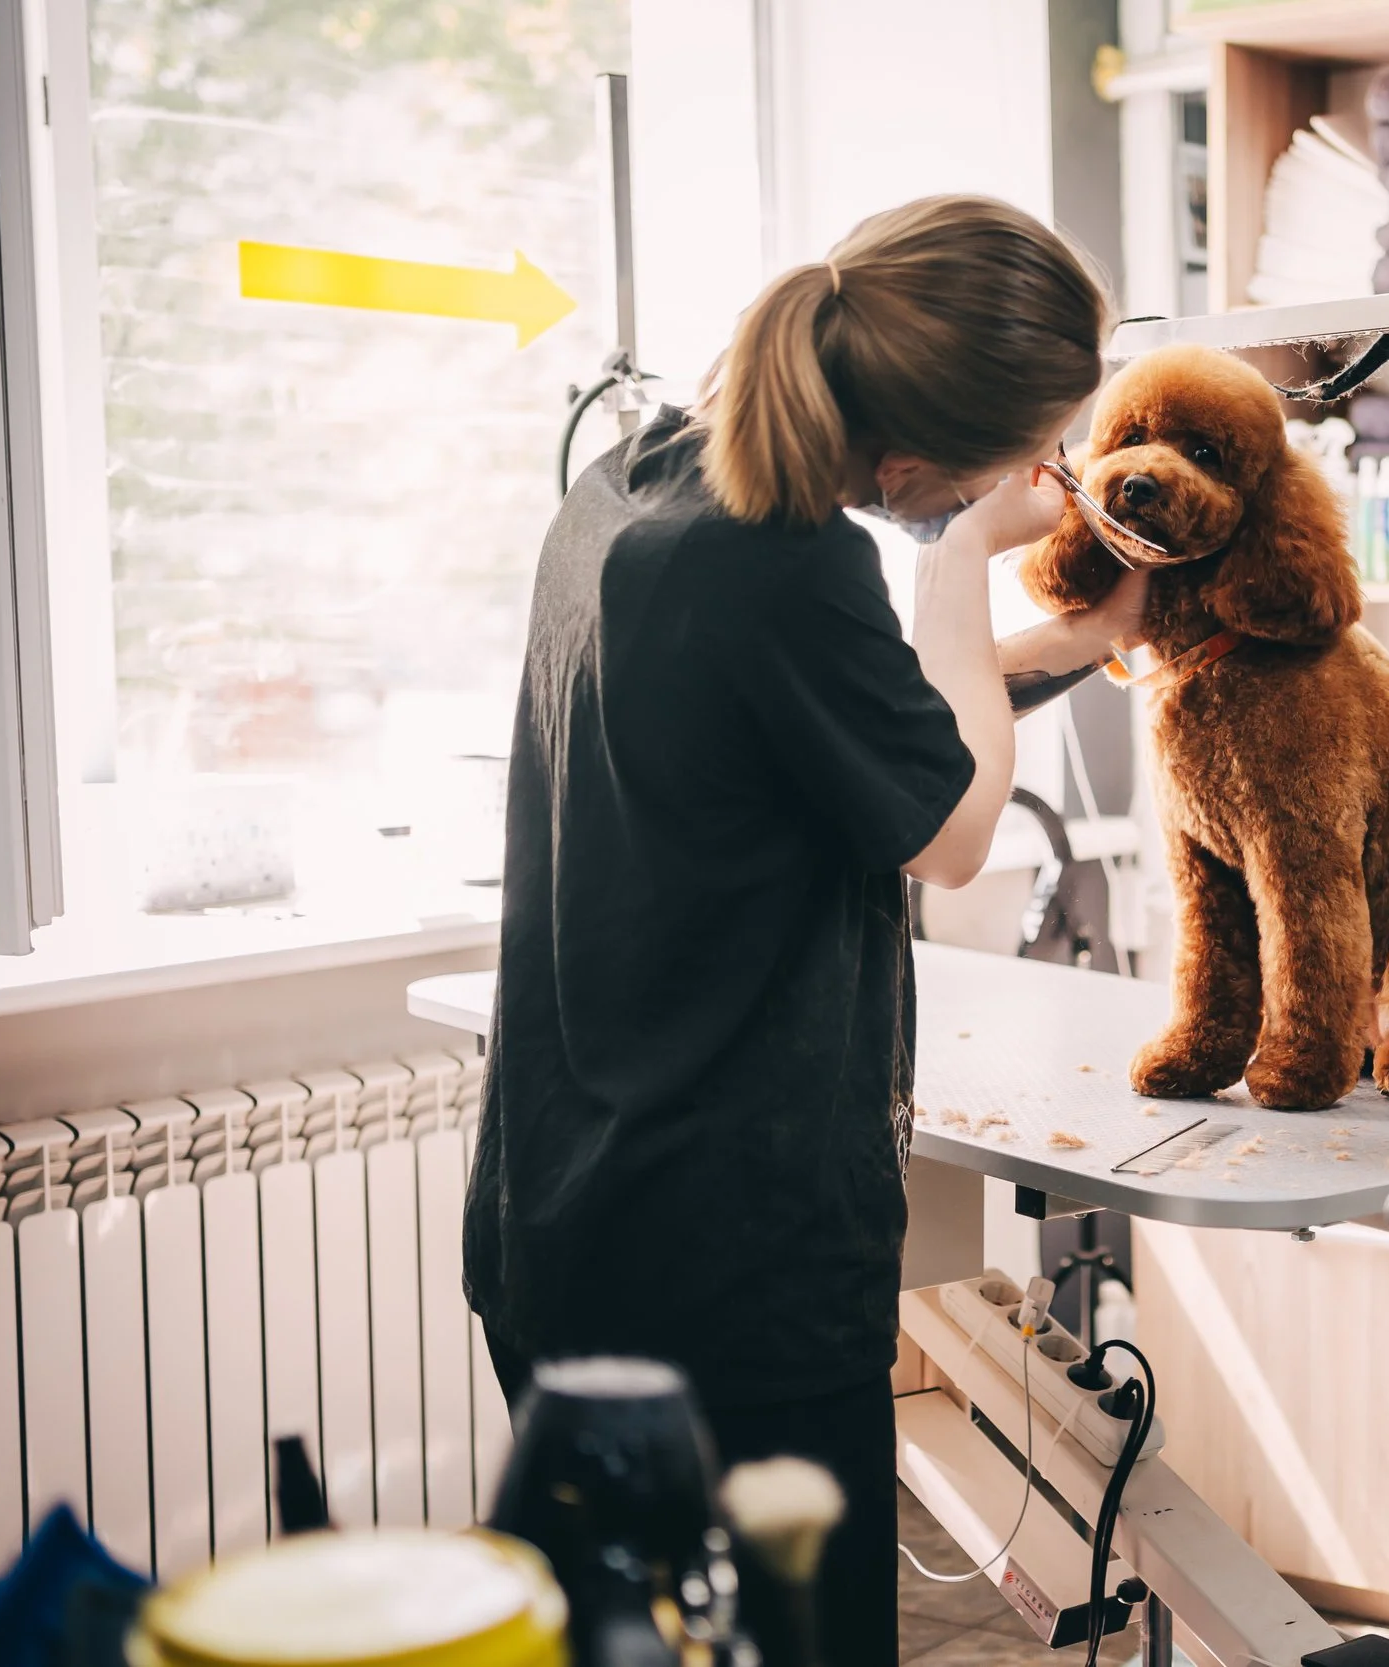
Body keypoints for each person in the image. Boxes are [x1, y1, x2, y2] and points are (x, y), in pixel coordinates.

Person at [464, 195, 1136, 1665]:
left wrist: (1086, 640)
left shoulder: (638, 485)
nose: (1050, 482)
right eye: (1030, 460)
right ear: (911, 467)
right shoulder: (785, 558)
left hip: (566, 1215)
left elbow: (859, 724)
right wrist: (960, 555)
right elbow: (951, 824)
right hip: (722, 1274)